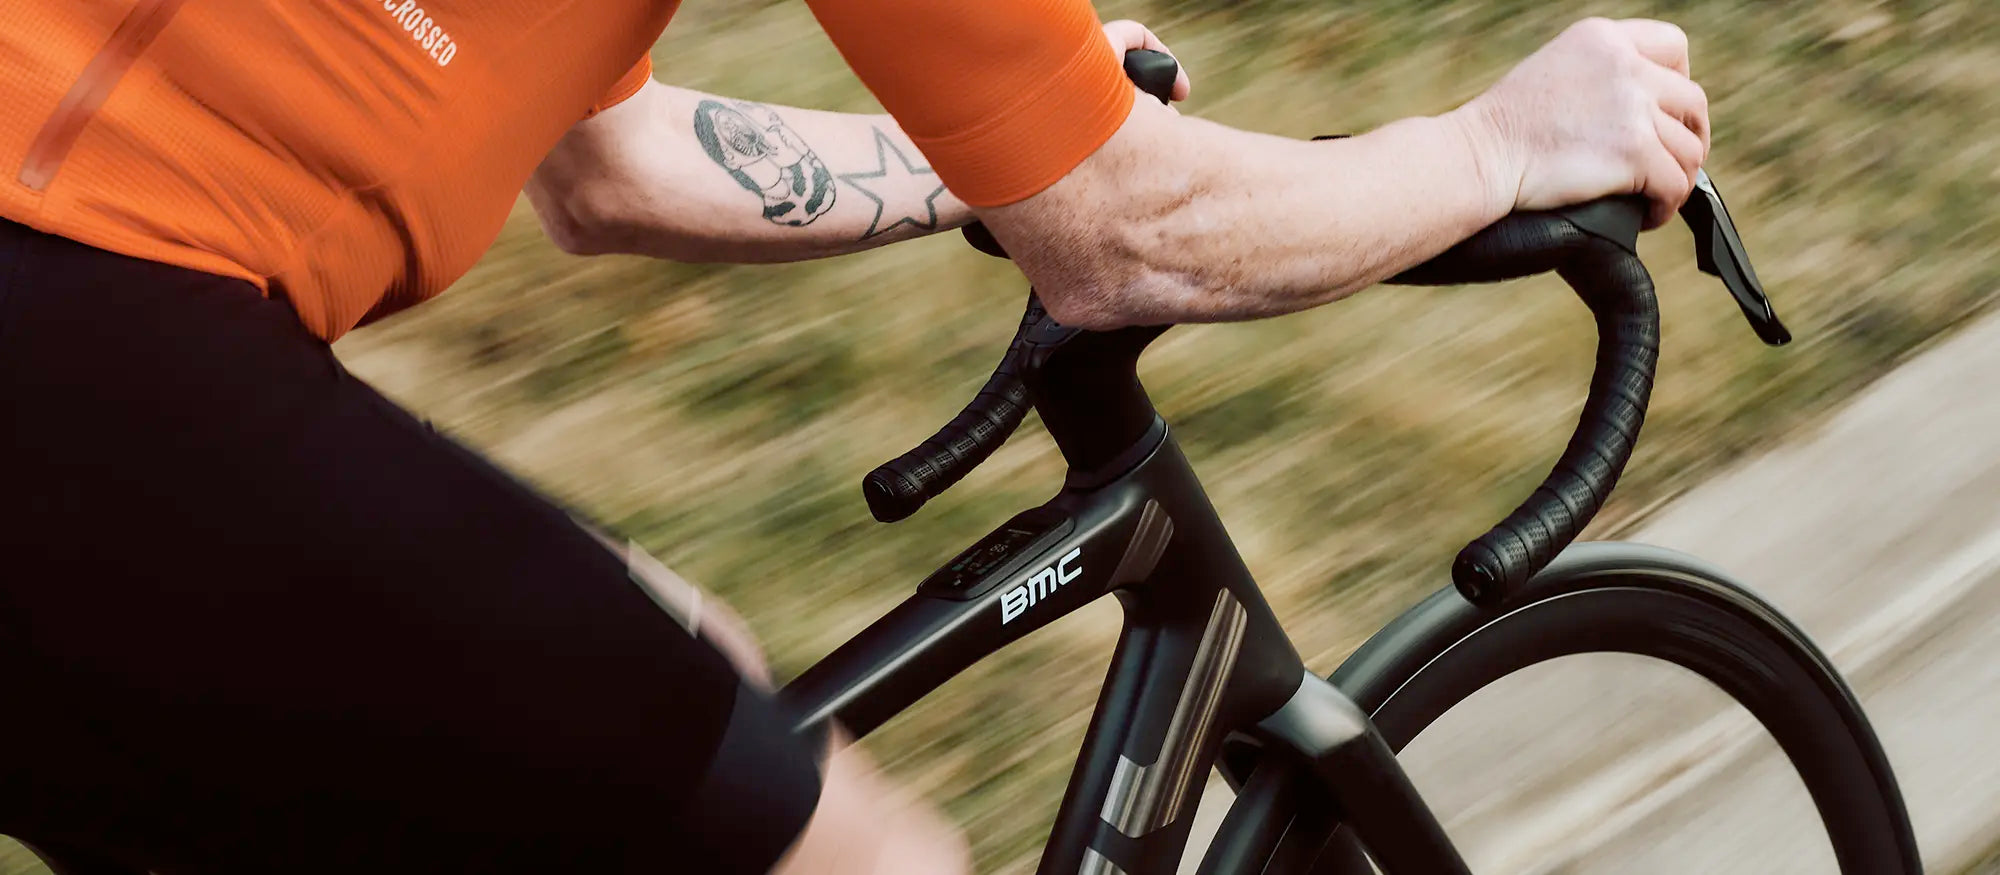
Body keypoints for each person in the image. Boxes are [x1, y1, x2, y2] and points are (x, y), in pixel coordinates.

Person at [0, 0, 1709, 869]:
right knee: (854, 859)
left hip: (103, 376)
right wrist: (1491, 149)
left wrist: (989, 158)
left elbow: (610, 167)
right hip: (92, 350)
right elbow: (1132, 232)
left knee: (688, 677)